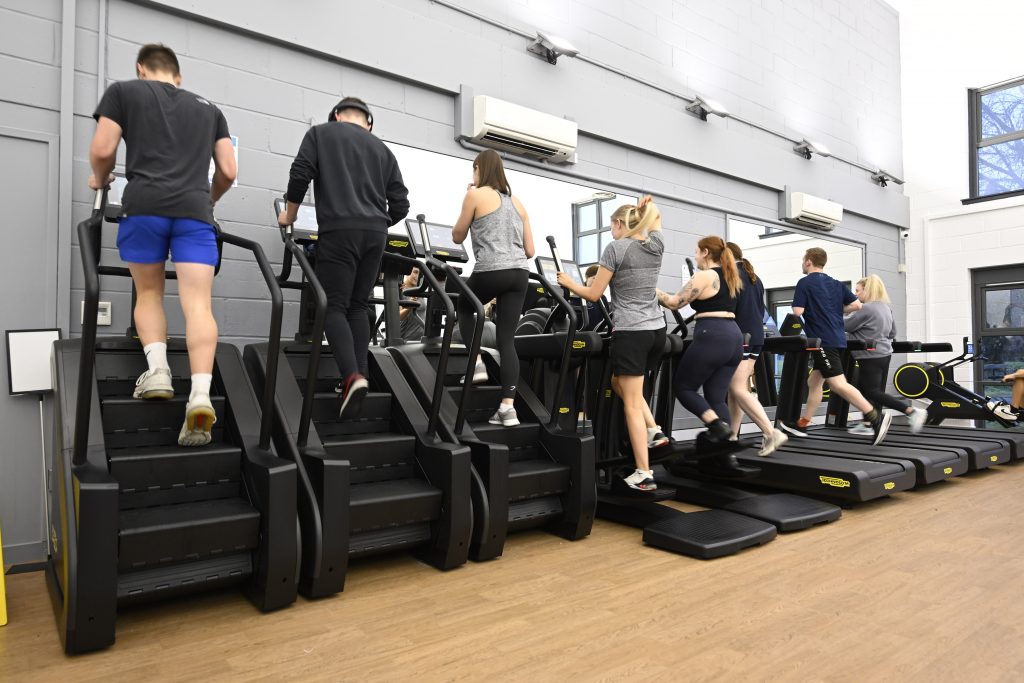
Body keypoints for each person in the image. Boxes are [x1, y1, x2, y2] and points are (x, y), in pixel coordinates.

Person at [89, 44, 236, 447]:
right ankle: (201, 395)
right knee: (199, 305)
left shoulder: (124, 91)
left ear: (141, 70)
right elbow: (228, 170)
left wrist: (99, 179)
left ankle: (157, 371)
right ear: (178, 76)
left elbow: (103, 150)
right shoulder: (209, 108)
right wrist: (209, 199)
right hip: (194, 213)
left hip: (145, 208)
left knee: (150, 292)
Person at [279, 96, 409, 418]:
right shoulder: (382, 149)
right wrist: (377, 223)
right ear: (369, 122)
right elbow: (402, 205)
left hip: (339, 230)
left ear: (337, 115)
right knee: (358, 305)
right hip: (376, 235)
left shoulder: (321, 133)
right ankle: (357, 376)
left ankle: (351, 376)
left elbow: (300, 173)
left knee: (333, 306)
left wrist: (289, 215)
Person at [559, 196, 668, 492]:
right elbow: (656, 221)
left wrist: (569, 284)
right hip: (657, 331)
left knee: (631, 402)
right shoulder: (655, 245)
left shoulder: (615, 248)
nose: (611, 231)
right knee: (618, 383)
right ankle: (654, 429)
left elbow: (594, 294)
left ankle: (644, 473)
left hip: (631, 332)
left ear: (619, 224)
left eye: (611, 225)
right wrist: (648, 207)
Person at [452, 149, 535, 426]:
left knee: (463, 308)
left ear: (479, 169)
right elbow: (531, 250)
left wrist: (468, 198)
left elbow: (456, 235)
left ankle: (475, 363)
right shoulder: (518, 203)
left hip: (491, 270)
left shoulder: (474, 194)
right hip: (519, 273)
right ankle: (507, 408)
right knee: (506, 340)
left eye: (474, 170)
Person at [779, 247, 892, 445]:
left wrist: (815, 310)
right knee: (814, 383)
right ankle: (803, 423)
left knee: (838, 384)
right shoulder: (835, 283)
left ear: (808, 262)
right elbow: (856, 305)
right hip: (838, 340)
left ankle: (874, 417)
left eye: (803, 260)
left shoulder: (804, 283)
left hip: (823, 341)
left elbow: (797, 311)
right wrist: (833, 310)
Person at [658, 236, 744, 451]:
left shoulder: (704, 276)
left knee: (684, 387)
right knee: (716, 397)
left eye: (696, 251)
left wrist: (652, 290)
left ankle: (717, 426)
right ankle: (727, 449)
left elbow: (673, 303)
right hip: (734, 337)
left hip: (712, 334)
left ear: (705, 252)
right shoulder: (730, 276)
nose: (695, 255)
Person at [724, 242, 789, 455]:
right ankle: (732, 437)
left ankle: (770, 432)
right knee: (736, 389)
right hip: (755, 337)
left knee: (737, 389)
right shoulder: (754, 277)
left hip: (742, 337)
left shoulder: (732, 276)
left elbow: (728, 308)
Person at [844, 275, 928, 435]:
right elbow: (892, 333)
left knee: (870, 391)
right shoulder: (885, 308)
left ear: (867, 290)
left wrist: (834, 313)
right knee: (871, 390)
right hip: (884, 354)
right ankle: (869, 423)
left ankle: (911, 411)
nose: (855, 294)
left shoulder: (866, 308)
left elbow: (846, 325)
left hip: (870, 355)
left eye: (857, 290)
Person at [398, 267, 425, 342]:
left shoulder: (420, 291)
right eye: (415, 272)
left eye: (420, 274)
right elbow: (398, 317)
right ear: (407, 273)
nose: (417, 276)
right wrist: (410, 305)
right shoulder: (400, 291)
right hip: (405, 340)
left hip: (421, 339)